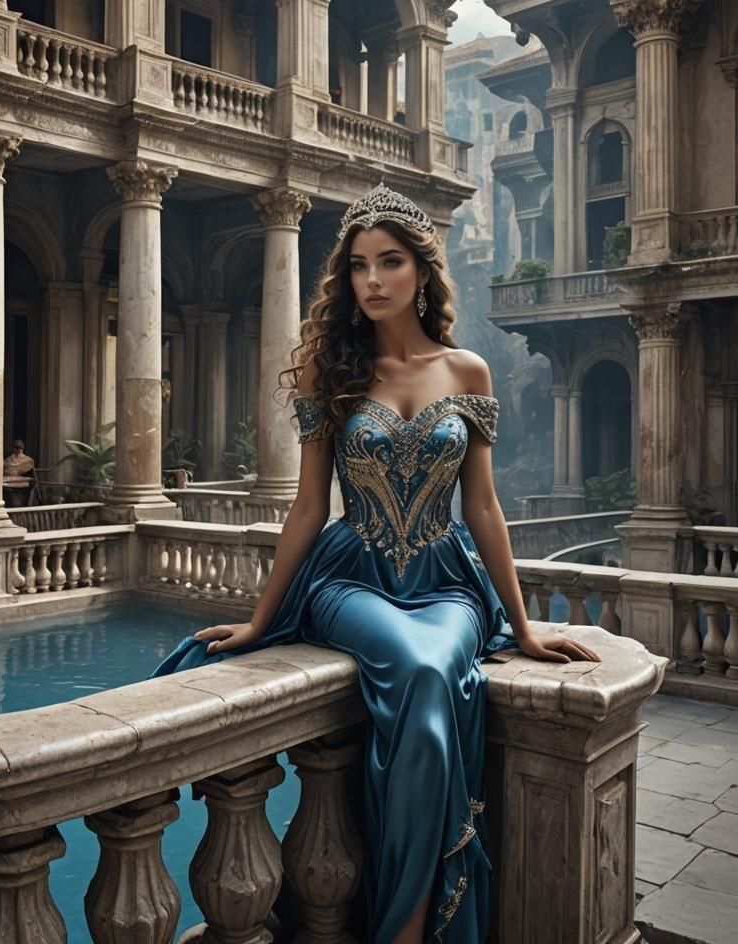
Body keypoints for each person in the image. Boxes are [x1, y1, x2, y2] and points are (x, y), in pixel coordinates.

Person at [151, 183, 600, 944]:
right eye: (359, 266)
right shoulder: (331, 373)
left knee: (432, 674)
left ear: (421, 271)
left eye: (390, 261)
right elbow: (306, 507)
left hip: (447, 584)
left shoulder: (468, 372)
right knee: (420, 671)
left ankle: (404, 924)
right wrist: (261, 620)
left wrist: (523, 628)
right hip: (350, 578)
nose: (373, 280)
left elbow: (483, 508)